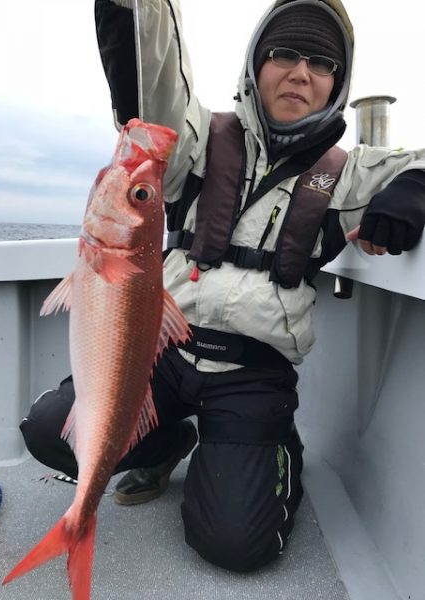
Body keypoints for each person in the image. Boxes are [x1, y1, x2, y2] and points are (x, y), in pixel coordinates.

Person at [21, 0, 425, 573]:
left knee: (237, 545)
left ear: (338, 82)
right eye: (284, 54)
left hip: (252, 375)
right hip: (162, 355)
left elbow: (420, 164)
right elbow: (152, 77)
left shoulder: (352, 170)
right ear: (256, 64)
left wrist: (414, 191)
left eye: (321, 62)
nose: (300, 73)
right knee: (48, 429)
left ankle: (270, 447)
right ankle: (165, 447)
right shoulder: (200, 139)